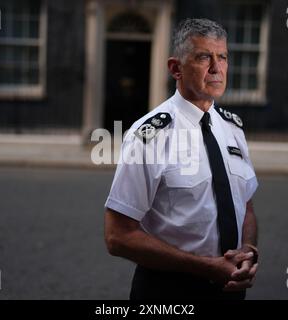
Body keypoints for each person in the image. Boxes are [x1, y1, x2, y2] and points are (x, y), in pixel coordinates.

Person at [104, 18, 259, 300]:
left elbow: (245, 205)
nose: (217, 68)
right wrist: (207, 267)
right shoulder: (149, 135)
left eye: (222, 57)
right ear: (176, 68)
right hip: (168, 291)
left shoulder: (233, 128)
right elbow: (118, 236)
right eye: (204, 57)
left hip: (231, 288)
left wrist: (248, 250)